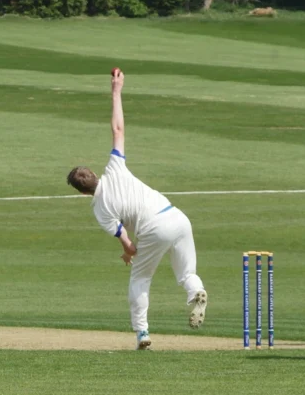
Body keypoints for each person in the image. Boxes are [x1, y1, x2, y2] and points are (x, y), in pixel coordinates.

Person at [66, 68, 207, 350]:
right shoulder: (115, 167)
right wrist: (116, 90)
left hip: (153, 228)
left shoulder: (101, 210)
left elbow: (129, 245)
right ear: (95, 174)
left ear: (83, 192)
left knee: (140, 278)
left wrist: (127, 253)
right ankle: (197, 292)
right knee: (186, 274)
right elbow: (118, 129)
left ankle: (142, 333)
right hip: (177, 216)